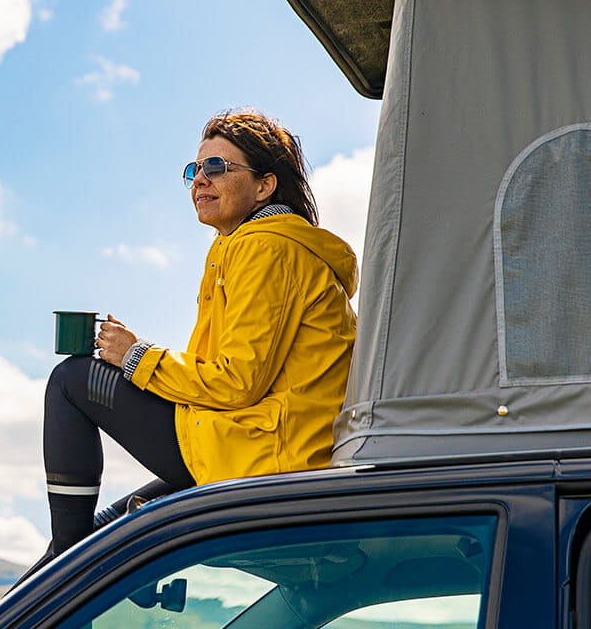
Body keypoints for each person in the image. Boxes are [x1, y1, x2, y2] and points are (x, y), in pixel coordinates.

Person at [29, 108, 358, 578]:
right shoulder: (245, 247)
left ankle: (64, 567)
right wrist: (134, 358)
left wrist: (136, 356)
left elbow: (235, 383)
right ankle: (66, 563)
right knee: (107, 529)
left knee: (72, 380)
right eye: (194, 170)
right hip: (252, 440)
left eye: (217, 168)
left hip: (264, 457)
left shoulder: (267, 248)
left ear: (265, 186)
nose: (200, 180)